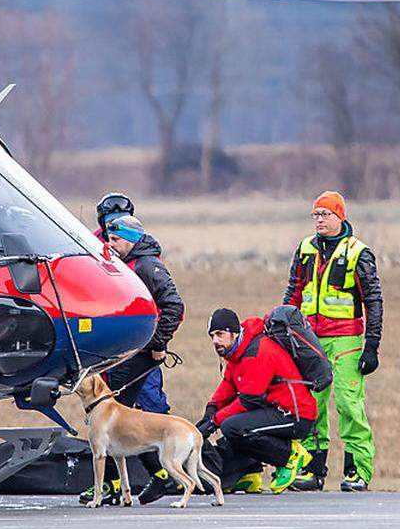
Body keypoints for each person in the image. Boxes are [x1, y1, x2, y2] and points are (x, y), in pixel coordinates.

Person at [79, 215, 185, 506]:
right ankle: (125, 483)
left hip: (141, 353)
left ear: (132, 239)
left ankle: (147, 477)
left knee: (110, 415)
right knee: (117, 417)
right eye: (108, 239)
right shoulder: (126, 263)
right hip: (126, 351)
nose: (110, 245)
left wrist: (158, 343)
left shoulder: (148, 266)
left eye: (115, 240)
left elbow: (175, 305)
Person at [283, 191, 383, 492]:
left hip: (347, 341)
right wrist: (283, 328)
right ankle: (312, 470)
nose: (319, 220)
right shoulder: (304, 249)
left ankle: (357, 471)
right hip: (310, 340)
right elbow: (293, 292)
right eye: (315, 215)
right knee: (312, 405)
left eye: (325, 215)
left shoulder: (358, 253)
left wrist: (372, 345)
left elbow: (373, 300)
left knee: (349, 404)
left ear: (340, 216)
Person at [197, 308, 316, 494]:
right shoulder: (238, 350)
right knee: (234, 424)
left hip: (295, 415)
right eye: (212, 335)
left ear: (234, 333)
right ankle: (248, 475)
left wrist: (214, 422)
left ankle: (290, 455)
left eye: (220, 334)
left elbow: (249, 401)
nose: (215, 341)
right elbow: (229, 383)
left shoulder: (257, 352)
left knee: (234, 427)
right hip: (275, 408)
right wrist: (211, 409)